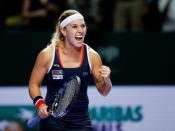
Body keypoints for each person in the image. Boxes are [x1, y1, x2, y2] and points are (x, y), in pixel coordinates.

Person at [28, 9, 112, 130]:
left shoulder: (92, 56)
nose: (80, 31)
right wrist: (40, 104)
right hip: (52, 123)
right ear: (63, 30)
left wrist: (107, 80)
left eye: (83, 26)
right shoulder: (47, 55)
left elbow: (104, 91)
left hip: (81, 122)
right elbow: (33, 84)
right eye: (74, 27)